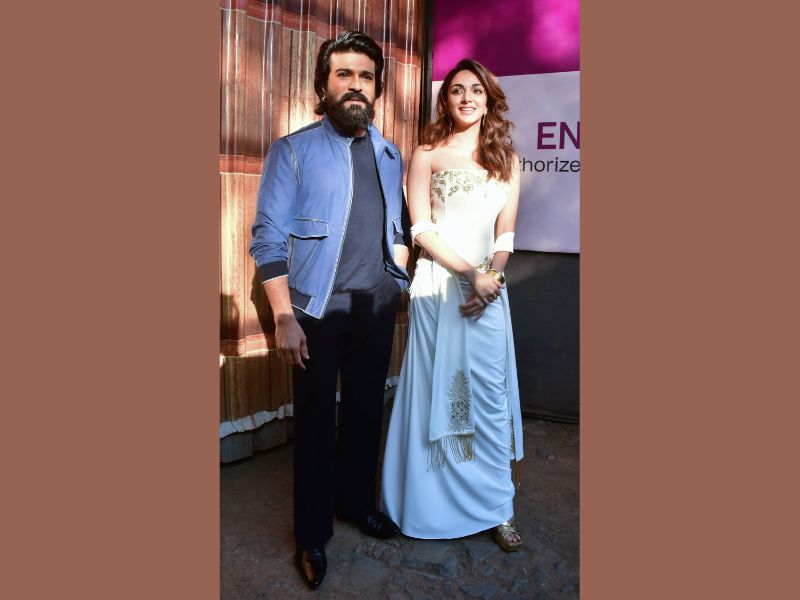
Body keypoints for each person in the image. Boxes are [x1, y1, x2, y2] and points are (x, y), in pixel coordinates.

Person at [249, 31, 411, 590]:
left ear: (378, 88)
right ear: (323, 85)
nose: (355, 85)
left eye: (366, 76)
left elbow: (397, 228)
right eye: (344, 74)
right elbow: (267, 239)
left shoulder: (390, 154)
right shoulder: (292, 151)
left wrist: (398, 279)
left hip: (375, 306)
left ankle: (355, 504)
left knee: (366, 414)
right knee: (316, 425)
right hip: (315, 311)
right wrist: (284, 317)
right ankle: (312, 534)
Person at [380, 59, 524, 551]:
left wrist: (492, 278)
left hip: (490, 292)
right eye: (457, 89)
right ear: (444, 99)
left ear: (489, 100)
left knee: (489, 395)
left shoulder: (508, 160)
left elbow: (505, 235)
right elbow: (421, 229)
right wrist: (469, 276)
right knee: (436, 391)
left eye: (476, 90)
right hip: (439, 286)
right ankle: (431, 506)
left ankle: (498, 508)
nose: (467, 98)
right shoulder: (426, 153)